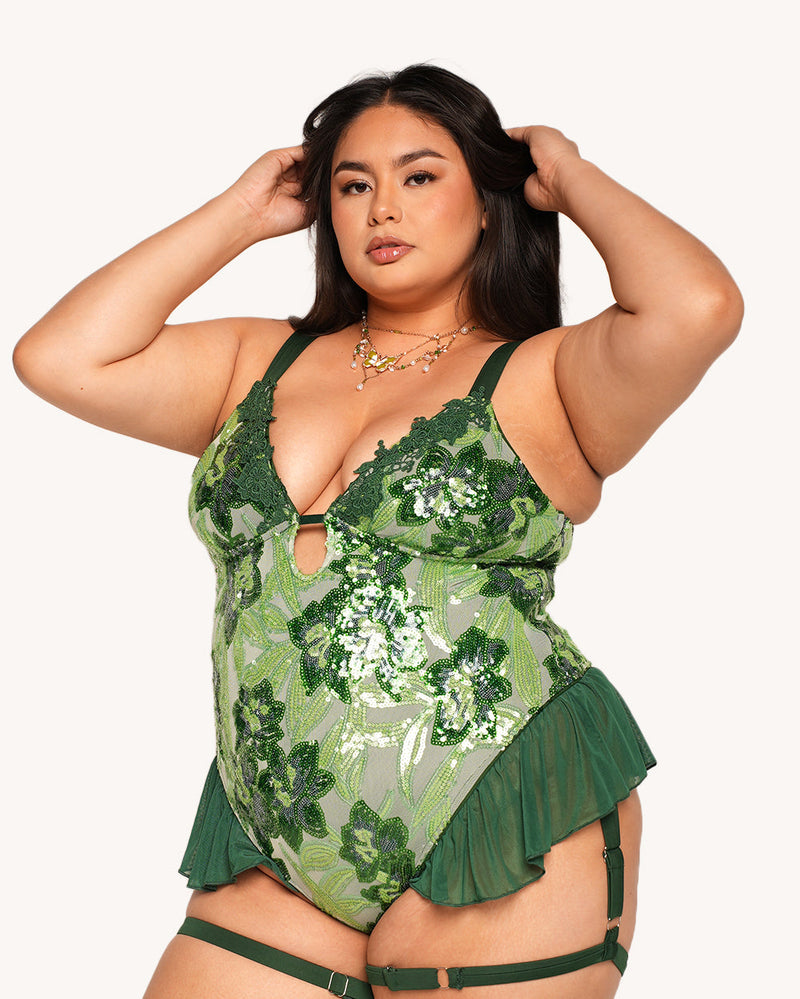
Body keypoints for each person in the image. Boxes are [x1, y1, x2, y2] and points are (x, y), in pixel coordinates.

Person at [13, 64, 742, 999]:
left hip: (500, 807)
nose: (382, 208)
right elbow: (58, 357)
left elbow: (698, 306)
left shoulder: (549, 375)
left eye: (419, 176)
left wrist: (570, 177)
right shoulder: (255, 358)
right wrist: (239, 214)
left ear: (488, 204)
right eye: (353, 185)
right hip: (281, 824)